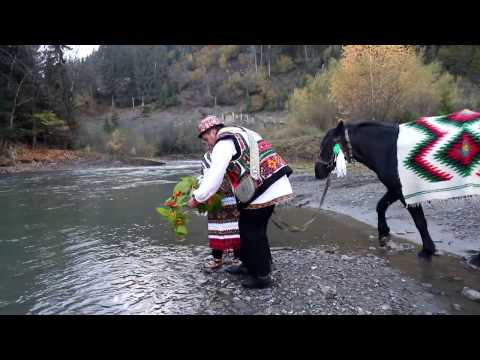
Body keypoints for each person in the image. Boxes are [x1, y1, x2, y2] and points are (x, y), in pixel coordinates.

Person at [188, 115, 294, 289]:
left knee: (252, 230)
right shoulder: (239, 131)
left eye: (206, 138)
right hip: (270, 181)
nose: (207, 143)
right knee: (248, 226)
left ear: (213, 131)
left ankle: (261, 275)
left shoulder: (223, 143)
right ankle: (250, 264)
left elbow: (214, 177)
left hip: (264, 186)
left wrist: (197, 198)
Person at [200, 147, 241, 271]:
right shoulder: (206, 157)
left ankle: (238, 258)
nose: (208, 144)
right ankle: (217, 259)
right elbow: (203, 175)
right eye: (205, 142)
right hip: (214, 199)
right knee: (215, 229)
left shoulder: (228, 153)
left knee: (235, 228)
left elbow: (237, 172)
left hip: (231, 198)